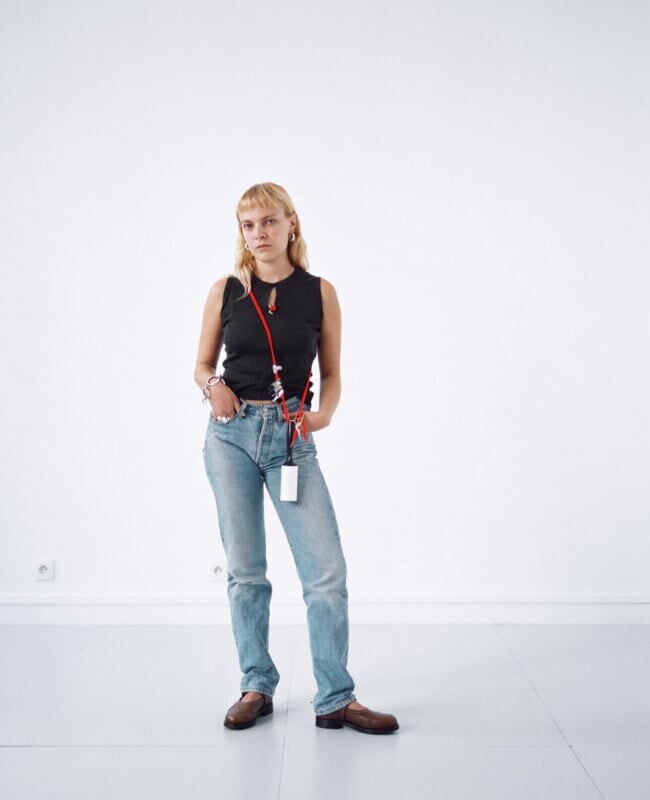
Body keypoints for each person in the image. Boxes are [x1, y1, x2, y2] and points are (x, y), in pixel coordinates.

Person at [194, 182, 398, 735]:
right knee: (246, 572)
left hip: (291, 440)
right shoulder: (226, 291)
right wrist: (213, 386)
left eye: (268, 221)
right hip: (231, 437)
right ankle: (256, 685)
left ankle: (335, 698)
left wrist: (323, 415)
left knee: (326, 574)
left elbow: (331, 373)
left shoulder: (320, 293)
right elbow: (202, 365)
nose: (258, 233)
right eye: (248, 225)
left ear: (291, 223)